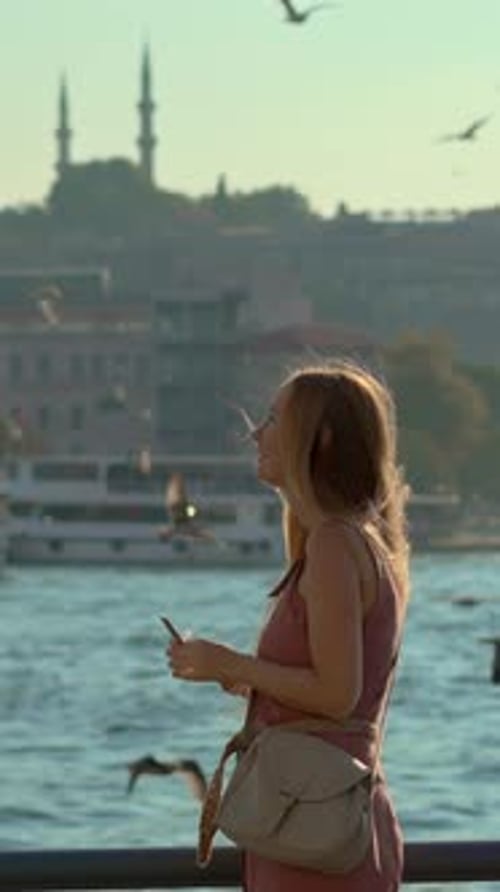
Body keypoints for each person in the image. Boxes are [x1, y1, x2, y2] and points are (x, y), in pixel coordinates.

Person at [167, 361, 410, 892]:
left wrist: (232, 663)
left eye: (275, 419)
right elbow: (335, 693)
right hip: (321, 824)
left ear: (320, 440)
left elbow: (337, 695)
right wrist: (243, 678)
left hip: (316, 831)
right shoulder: (353, 542)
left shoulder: (332, 544)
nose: (256, 433)